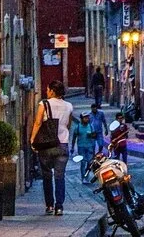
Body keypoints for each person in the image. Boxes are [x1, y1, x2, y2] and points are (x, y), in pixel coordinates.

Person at [30, 80, 73, 216]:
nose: (46, 91)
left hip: (47, 144)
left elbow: (38, 123)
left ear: (52, 91)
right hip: (63, 144)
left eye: (48, 89)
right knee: (60, 176)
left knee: (47, 175)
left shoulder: (44, 104)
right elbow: (68, 125)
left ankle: (49, 205)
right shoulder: (69, 106)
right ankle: (59, 206)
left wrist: (32, 139)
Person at [72, 112, 96, 184]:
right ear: (82, 119)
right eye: (85, 118)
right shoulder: (78, 127)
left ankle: (86, 175)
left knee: (89, 163)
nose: (87, 119)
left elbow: (94, 135)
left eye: (87, 118)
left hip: (89, 147)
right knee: (83, 163)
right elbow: (74, 137)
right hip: (81, 147)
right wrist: (72, 147)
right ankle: (83, 178)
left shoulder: (91, 126)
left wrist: (91, 135)